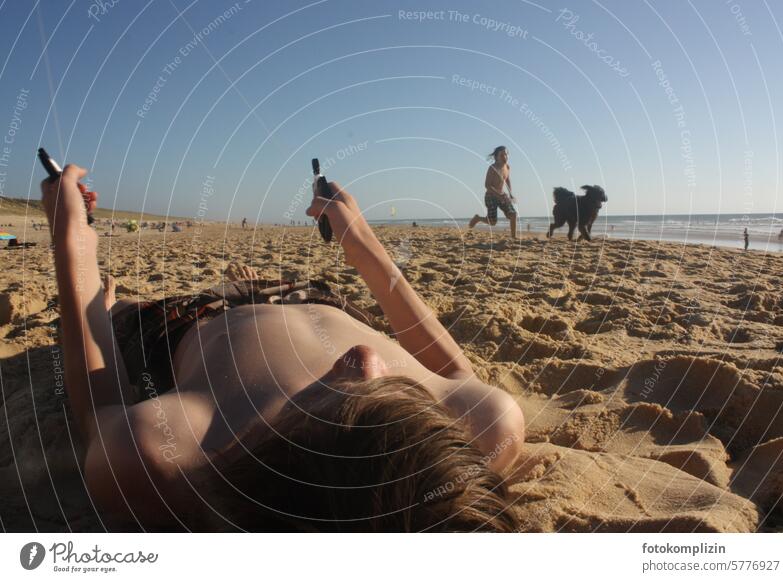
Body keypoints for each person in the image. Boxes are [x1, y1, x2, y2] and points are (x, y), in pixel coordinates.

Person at [41, 164, 524, 532]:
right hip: (315, 297)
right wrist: (358, 238)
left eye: (343, 410)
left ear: (291, 472)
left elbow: (98, 410)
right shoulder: (463, 450)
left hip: (195, 318)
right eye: (399, 403)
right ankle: (261, 288)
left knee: (119, 310)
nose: (366, 360)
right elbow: (451, 366)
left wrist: (72, 243)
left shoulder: (176, 454)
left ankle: (138, 300)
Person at [469, 146, 518, 239]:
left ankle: (513, 237)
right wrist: (498, 195)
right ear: (496, 157)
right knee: (492, 222)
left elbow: (507, 180)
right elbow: (487, 185)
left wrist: (510, 194)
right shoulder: (492, 168)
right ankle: (478, 218)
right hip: (491, 196)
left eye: (506, 154)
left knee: (513, 215)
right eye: (502, 155)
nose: (505, 157)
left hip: (502, 196)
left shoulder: (507, 167)